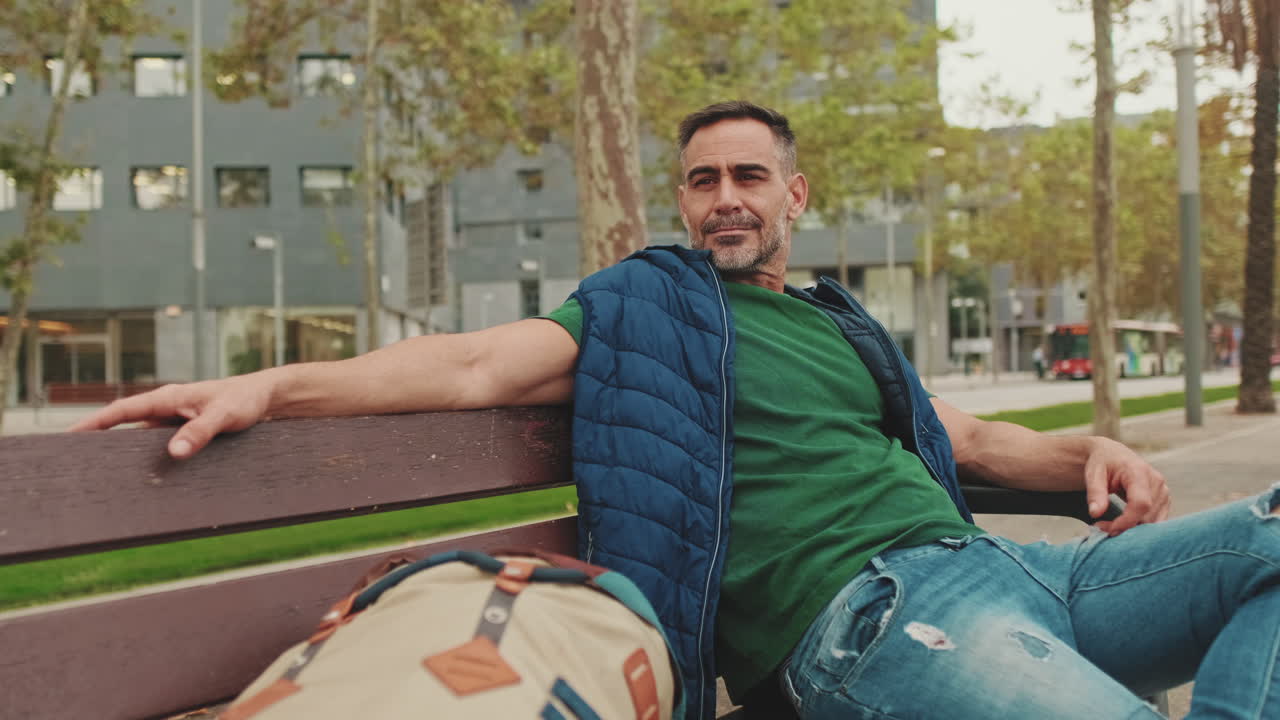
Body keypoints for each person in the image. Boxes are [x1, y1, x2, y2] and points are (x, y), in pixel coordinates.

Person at [74, 101, 1279, 720]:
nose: (722, 198)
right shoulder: (645, 305)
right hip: (866, 613)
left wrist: (1092, 447)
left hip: (1019, 572)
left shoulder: (838, 319)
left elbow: (961, 441)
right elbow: (474, 369)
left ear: (793, 193)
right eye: (702, 179)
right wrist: (271, 385)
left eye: (747, 175)